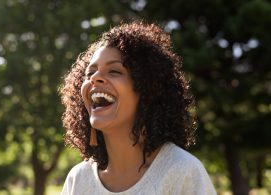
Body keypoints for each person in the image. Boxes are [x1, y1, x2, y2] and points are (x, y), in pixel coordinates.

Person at [59, 21, 216, 195]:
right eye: (90, 73)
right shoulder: (78, 179)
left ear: (147, 89)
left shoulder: (182, 172)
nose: (94, 78)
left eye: (114, 71)